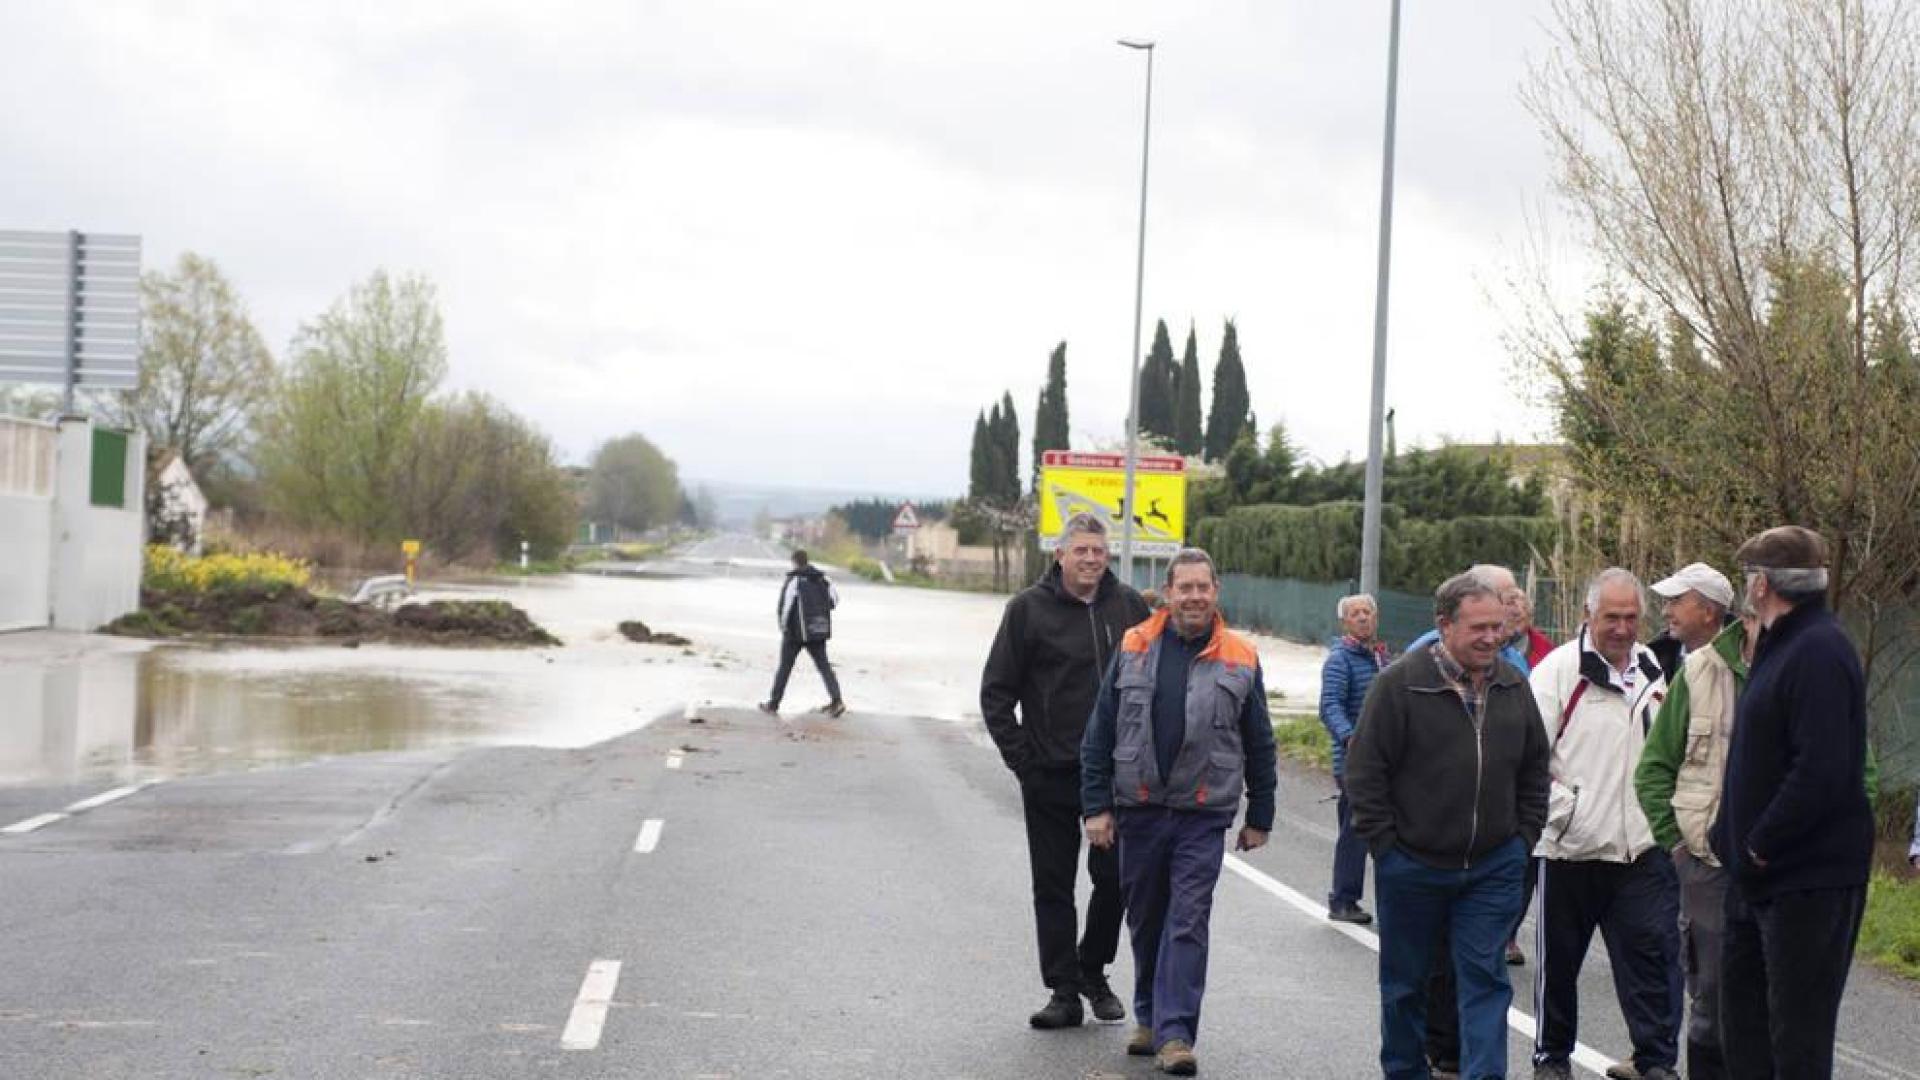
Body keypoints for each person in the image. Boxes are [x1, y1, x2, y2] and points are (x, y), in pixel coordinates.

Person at [1081, 548, 1277, 1076]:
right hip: (1139, 809)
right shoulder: (1135, 645)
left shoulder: (1240, 655)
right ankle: (1149, 1015)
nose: (1194, 596)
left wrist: (1262, 810)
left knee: (1187, 921)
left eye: (1203, 587)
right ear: (1168, 592)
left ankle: (1175, 1035)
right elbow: (1100, 730)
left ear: (1216, 592)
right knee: (1146, 920)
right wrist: (1096, 805)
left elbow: (1259, 740)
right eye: (1184, 587)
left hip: (1201, 813)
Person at [1346, 569, 1549, 1080]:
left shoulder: (1512, 683)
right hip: (1412, 865)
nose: (1491, 638)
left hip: (1492, 866)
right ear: (1444, 625)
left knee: (1485, 981)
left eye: (1497, 627)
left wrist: (1522, 840)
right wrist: (1387, 849)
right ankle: (1405, 1070)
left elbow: (1534, 768)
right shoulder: (1400, 684)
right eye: (1478, 627)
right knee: (1406, 986)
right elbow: (1366, 772)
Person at [1710, 527, 1875, 1078]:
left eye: (1747, 576)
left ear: (1761, 584)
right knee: (1746, 1034)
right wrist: (1724, 835)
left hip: (1804, 883)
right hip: (1756, 881)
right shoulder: (1781, 646)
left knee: (1797, 1041)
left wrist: (1759, 841)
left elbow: (1822, 769)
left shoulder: (1819, 649)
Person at [979, 512, 1151, 1030]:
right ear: (1060, 554)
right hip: (1051, 771)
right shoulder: (1027, 611)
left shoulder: (1130, 607)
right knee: (1053, 885)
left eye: (1099, 551)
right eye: (1081, 551)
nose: (1092, 560)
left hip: (1117, 773)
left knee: (1117, 879)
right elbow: (996, 694)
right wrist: (1024, 761)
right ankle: (1063, 991)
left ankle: (1092, 971)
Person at [1528, 568, 1679, 1080]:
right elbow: (1528, 757)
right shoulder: (1558, 670)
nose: (1622, 627)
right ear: (1588, 615)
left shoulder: (1653, 666)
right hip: (1570, 849)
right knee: (1559, 965)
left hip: (1640, 848)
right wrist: (1563, 812)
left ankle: (1654, 1058)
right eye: (1611, 616)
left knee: (1650, 957)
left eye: (1631, 617)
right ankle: (1551, 1056)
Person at [1631, 562, 1738, 1080]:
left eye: (1679, 600)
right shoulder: (1689, 668)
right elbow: (1653, 771)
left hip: (1776, 868)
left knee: (1772, 1006)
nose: (1667, 610)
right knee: (1711, 1002)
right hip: (1706, 864)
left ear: (1710, 610)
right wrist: (1679, 848)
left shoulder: (1778, 666)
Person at [1320, 592, 1389, 925]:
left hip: (1385, 761)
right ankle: (1342, 900)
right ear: (1344, 622)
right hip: (1354, 763)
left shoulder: (1380, 658)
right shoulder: (1340, 659)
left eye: (1367, 612)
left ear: (1376, 619)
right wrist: (1351, 739)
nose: (1362, 618)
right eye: (1355, 613)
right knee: (1356, 831)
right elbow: (1329, 706)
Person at [758, 549, 845, 717]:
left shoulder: (795, 580)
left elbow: (786, 606)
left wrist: (784, 627)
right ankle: (837, 701)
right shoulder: (822, 578)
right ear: (807, 561)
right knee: (824, 667)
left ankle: (773, 704)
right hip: (817, 630)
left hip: (795, 633)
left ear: (794, 562)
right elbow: (835, 599)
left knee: (785, 667)